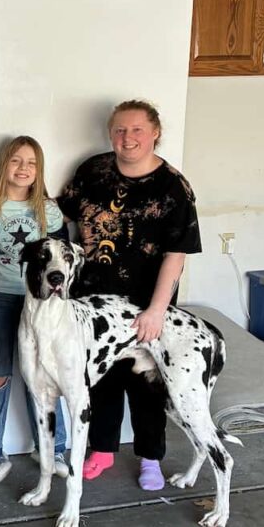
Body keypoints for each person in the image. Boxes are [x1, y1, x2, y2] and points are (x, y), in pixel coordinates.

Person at [57, 99, 201, 491]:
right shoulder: (93, 171)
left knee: (147, 383)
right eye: (120, 130)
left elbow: (176, 256)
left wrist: (157, 310)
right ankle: (102, 449)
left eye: (137, 129)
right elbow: (59, 219)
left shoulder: (174, 187)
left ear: (155, 133)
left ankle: (151, 458)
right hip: (91, 303)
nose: (128, 137)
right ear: (110, 134)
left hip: (145, 304)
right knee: (98, 377)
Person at [0, 136, 70, 483]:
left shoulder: (47, 212)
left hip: (41, 304)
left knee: (45, 376)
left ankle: (53, 447)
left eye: (32, 163)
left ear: (39, 170)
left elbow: (62, 260)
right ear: (4, 164)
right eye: (16, 161)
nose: (24, 169)